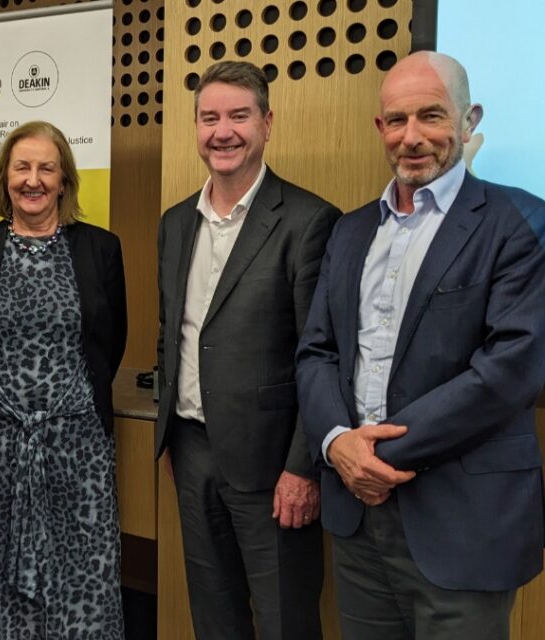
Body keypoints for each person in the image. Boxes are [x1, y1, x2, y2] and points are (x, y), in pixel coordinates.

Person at [296, 51, 545, 640]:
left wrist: (374, 456)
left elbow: (509, 372)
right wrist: (339, 443)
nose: (411, 137)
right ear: (380, 128)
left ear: (469, 122)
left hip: (463, 522)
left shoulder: (524, 222)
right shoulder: (350, 230)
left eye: (432, 117)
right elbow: (317, 352)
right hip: (359, 520)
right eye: (396, 120)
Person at [156, 61, 341, 640]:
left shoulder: (309, 222)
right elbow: (174, 333)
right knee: (214, 617)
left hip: (272, 467)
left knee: (286, 620)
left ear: (267, 123)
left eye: (239, 115)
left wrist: (301, 468)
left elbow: (322, 356)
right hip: (191, 452)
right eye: (209, 118)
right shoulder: (175, 223)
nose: (223, 131)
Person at [0, 120, 128, 639]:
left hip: (79, 449)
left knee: (85, 578)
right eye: (22, 167)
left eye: (46, 168)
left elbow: (110, 342)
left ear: (64, 179)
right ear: (4, 177)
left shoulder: (101, 248)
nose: (33, 179)